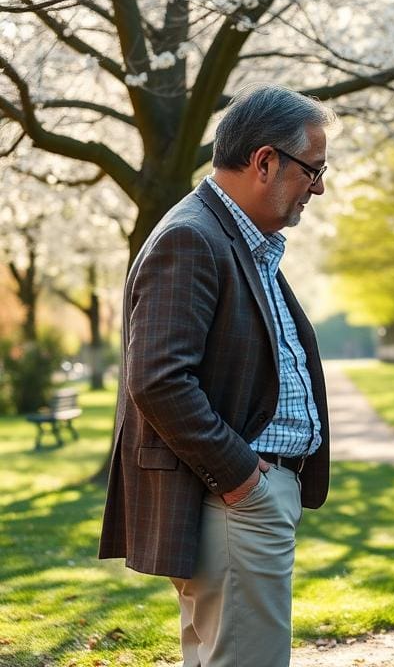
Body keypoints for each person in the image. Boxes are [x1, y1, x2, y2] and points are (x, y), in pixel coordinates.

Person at [99, 84, 338, 667]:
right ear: (264, 161)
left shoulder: (234, 239)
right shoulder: (193, 237)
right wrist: (243, 479)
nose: (319, 187)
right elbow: (158, 379)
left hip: (239, 500)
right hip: (232, 500)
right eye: (313, 170)